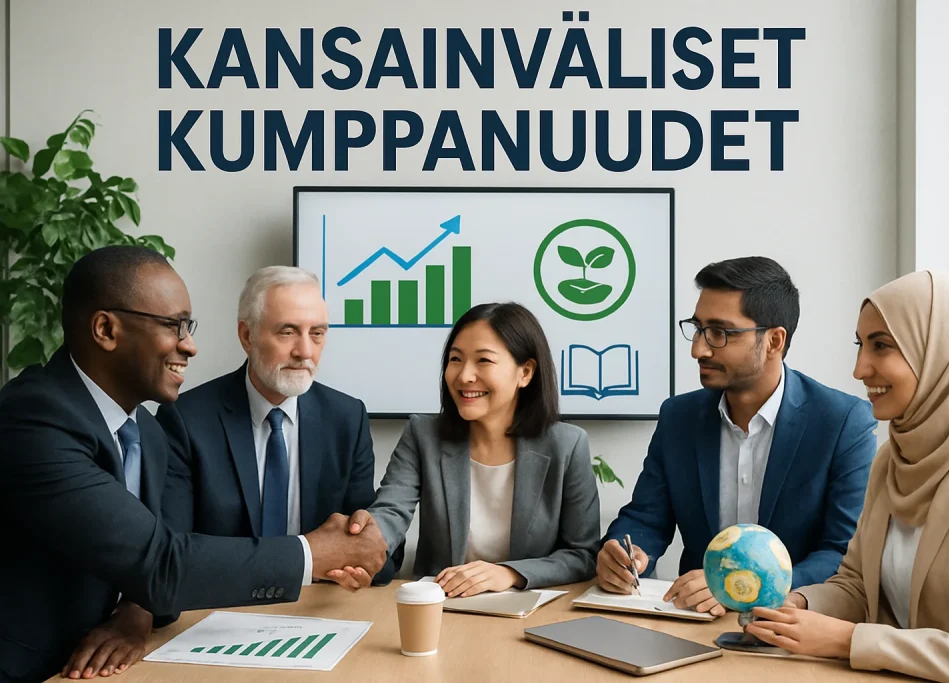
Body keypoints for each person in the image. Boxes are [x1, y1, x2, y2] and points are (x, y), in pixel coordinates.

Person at [0, 246, 386, 683]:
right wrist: (314, 552)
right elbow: (163, 561)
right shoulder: (34, 419)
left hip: (118, 664)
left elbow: (152, 576)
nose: (190, 345)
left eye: (189, 326)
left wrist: (137, 614)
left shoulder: (145, 431)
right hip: (33, 670)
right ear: (106, 329)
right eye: (173, 325)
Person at [745, 270, 949, 683]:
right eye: (860, 345)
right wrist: (798, 606)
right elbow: (859, 587)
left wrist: (849, 641)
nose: (859, 369)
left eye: (882, 345)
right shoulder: (893, 457)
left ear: (941, 352)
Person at [599, 257, 877, 617]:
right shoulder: (679, 417)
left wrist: (742, 586)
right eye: (697, 329)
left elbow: (842, 552)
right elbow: (645, 519)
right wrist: (625, 554)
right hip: (694, 622)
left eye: (720, 333)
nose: (698, 349)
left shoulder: (842, 423)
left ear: (774, 340)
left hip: (792, 627)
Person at [155, 266, 401, 584]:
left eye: (317, 334)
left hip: (318, 605)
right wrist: (307, 556)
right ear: (247, 336)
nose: (304, 352)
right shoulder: (186, 420)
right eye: (287, 332)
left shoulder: (346, 419)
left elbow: (376, 555)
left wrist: (364, 554)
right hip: (222, 604)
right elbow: (172, 555)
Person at [352, 302, 601, 597]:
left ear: (525, 372)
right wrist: (367, 538)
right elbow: (391, 511)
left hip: (531, 607)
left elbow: (582, 554)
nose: (464, 376)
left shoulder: (567, 445)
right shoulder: (423, 434)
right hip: (443, 605)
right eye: (456, 359)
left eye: (483, 360)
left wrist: (509, 573)